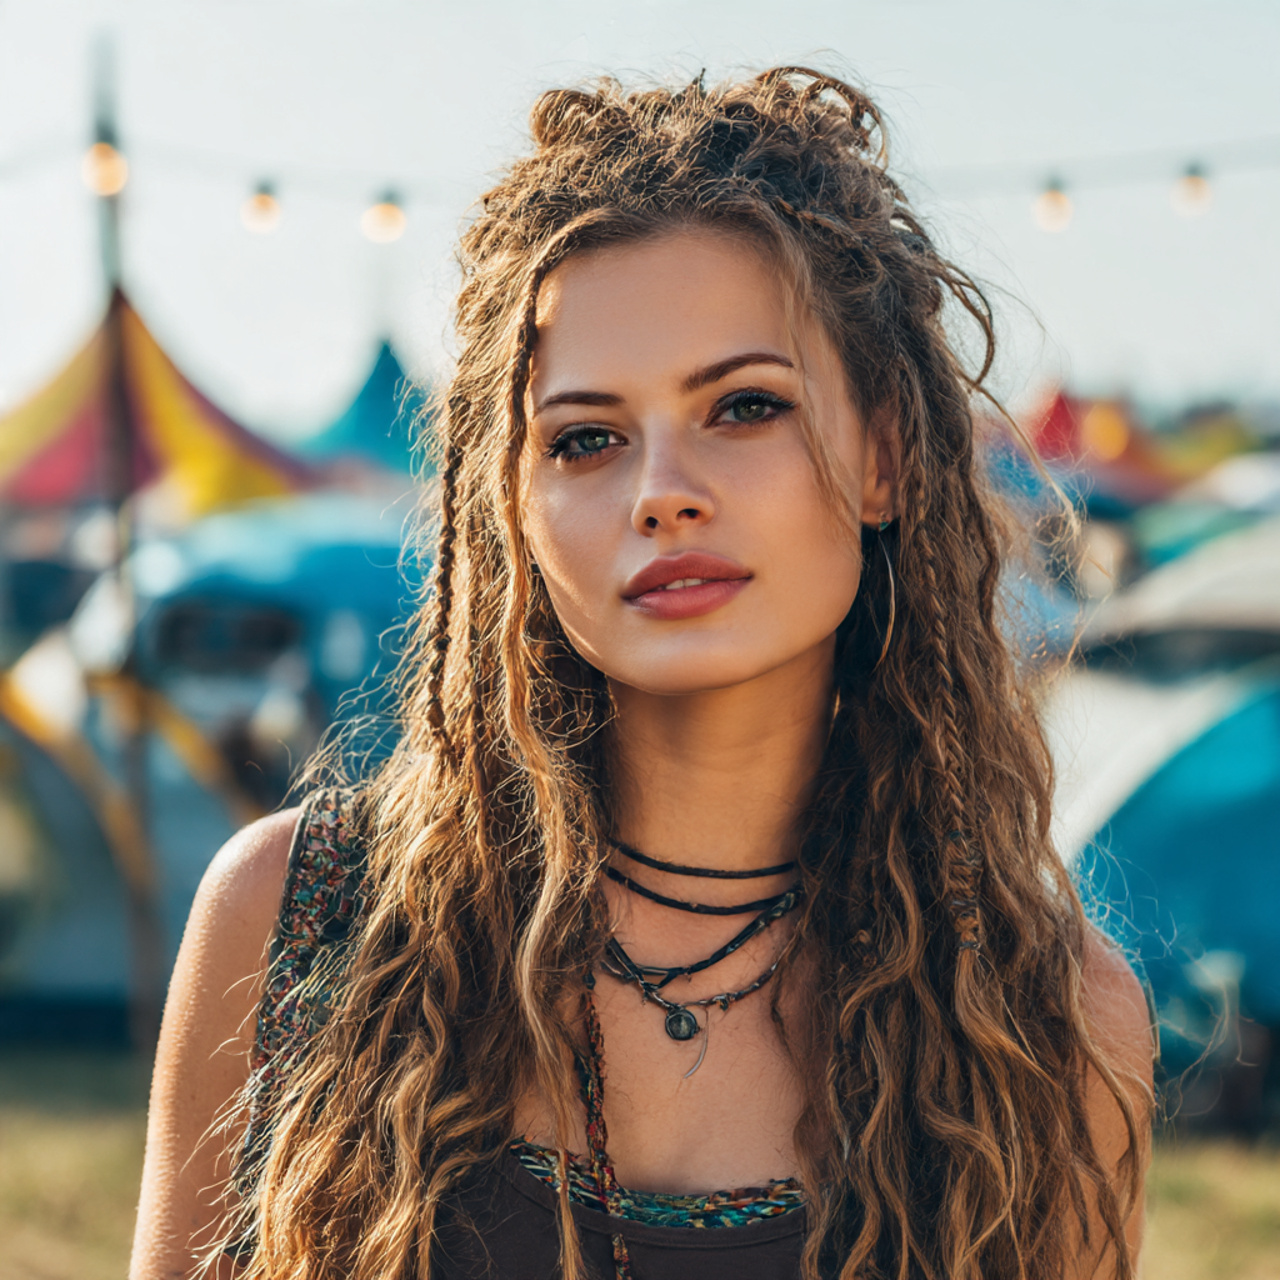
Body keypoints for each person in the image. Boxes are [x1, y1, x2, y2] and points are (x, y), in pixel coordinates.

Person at [130, 68, 1154, 1280]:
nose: (661, 488)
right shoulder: (300, 918)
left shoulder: (1049, 1022)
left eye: (742, 406)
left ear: (884, 455)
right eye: (586, 438)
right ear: (514, 504)